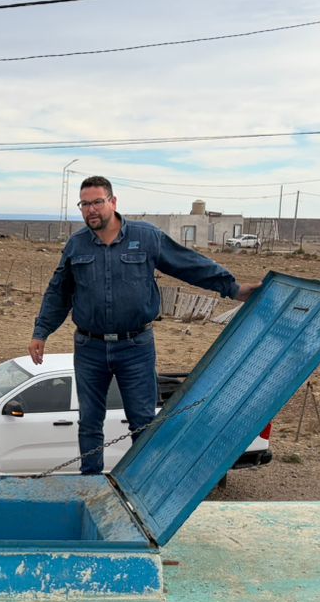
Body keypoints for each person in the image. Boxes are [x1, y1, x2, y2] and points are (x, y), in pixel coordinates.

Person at [30, 176, 260, 474]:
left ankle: (142, 483)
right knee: (89, 422)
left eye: (97, 202)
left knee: (142, 422)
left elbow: (189, 264)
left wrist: (234, 289)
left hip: (135, 348)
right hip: (90, 348)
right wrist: (41, 332)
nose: (91, 210)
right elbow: (58, 292)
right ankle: (90, 484)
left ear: (113, 202)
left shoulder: (146, 236)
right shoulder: (77, 245)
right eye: (84, 204)